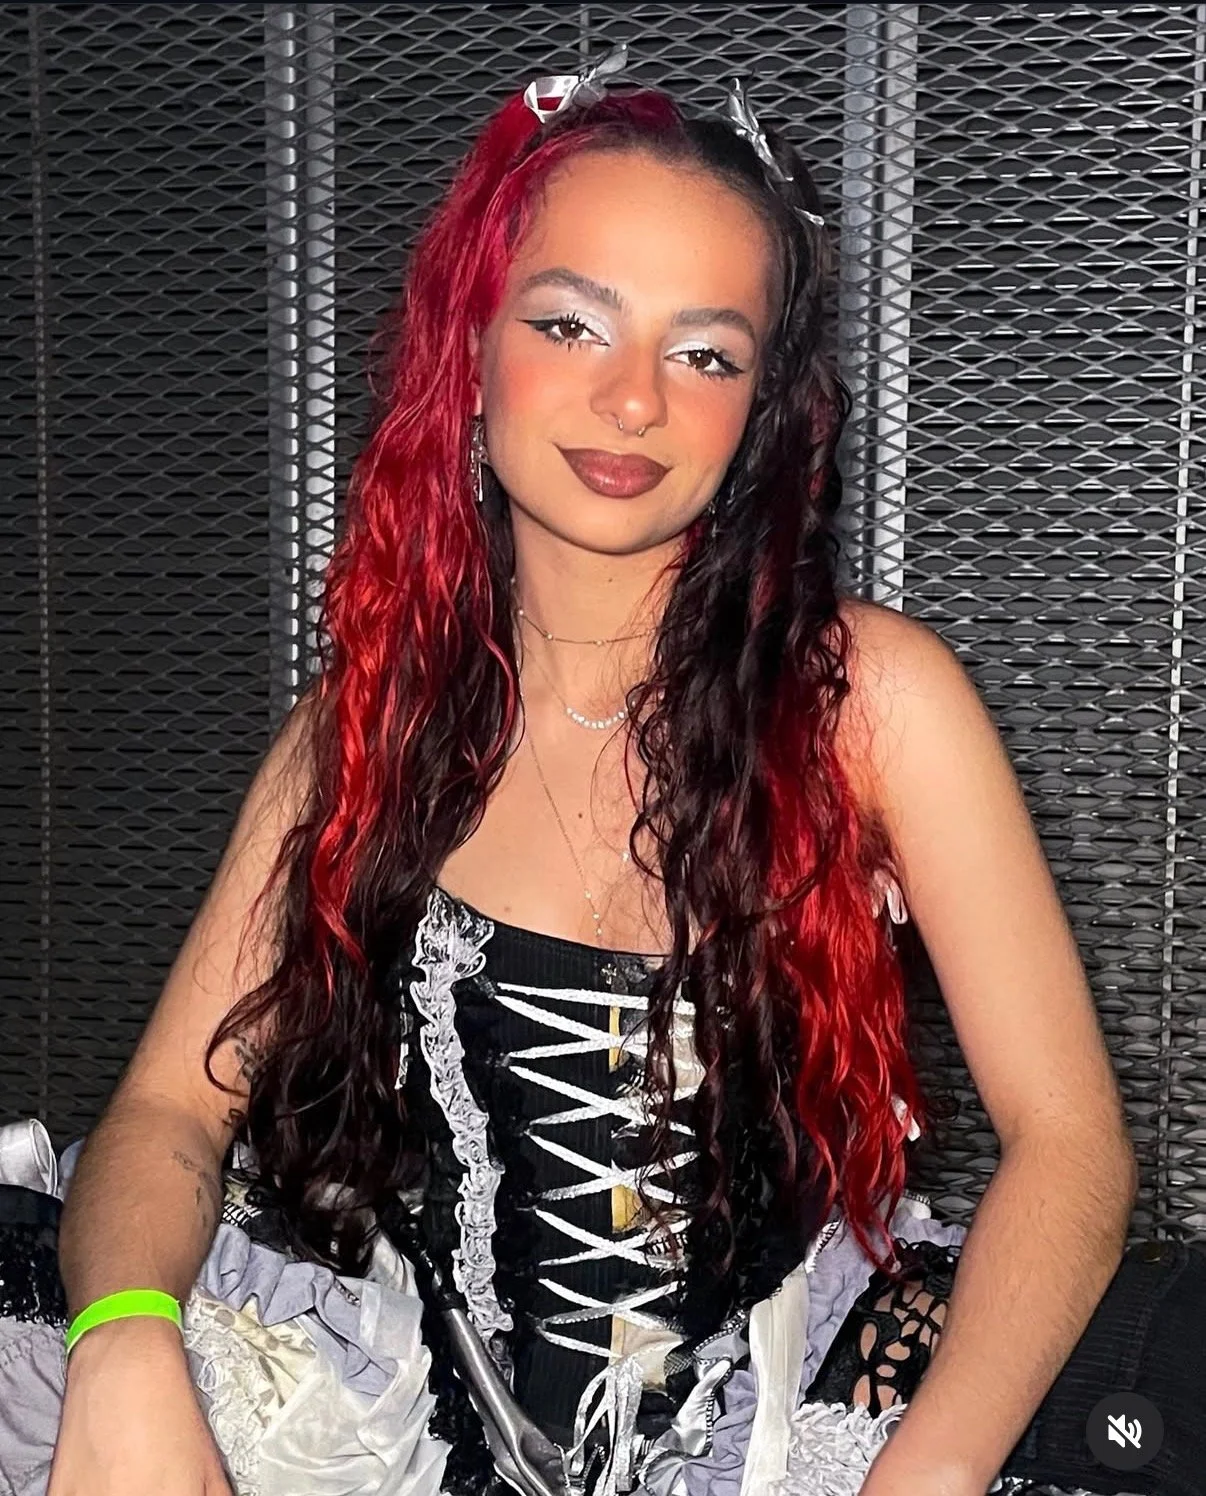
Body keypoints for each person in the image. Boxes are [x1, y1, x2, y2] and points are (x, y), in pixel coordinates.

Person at [38, 40, 1144, 1496]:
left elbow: (1068, 1147)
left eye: (703, 353)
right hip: (399, 1433)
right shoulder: (361, 731)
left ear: (758, 414)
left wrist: (916, 1483)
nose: (632, 402)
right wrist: (124, 1341)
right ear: (471, 352)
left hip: (779, 1437)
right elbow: (167, 1118)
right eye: (572, 326)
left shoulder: (867, 701)